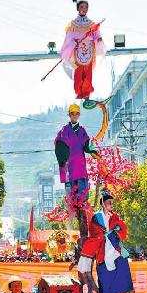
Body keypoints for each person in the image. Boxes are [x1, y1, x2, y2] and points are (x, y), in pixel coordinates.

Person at [55, 103, 98, 251]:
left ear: (79, 115)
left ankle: (84, 225)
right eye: (72, 113)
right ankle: (79, 227)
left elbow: (88, 144)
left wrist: (92, 151)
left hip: (81, 169)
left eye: (76, 113)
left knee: (83, 202)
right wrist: (62, 160)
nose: (74, 115)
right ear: (69, 115)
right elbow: (59, 148)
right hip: (71, 171)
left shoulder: (82, 131)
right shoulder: (64, 131)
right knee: (74, 203)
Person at [81, 190, 133, 293]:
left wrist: (115, 232)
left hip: (115, 249)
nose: (111, 205)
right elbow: (94, 232)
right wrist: (104, 235)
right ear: (103, 204)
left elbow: (122, 229)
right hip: (102, 250)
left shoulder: (115, 216)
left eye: (112, 203)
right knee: (105, 277)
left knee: (121, 272)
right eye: (109, 202)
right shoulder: (97, 217)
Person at [60, 0, 106, 99]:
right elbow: (69, 37)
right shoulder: (73, 24)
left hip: (89, 50)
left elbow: (96, 34)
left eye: (86, 7)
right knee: (78, 72)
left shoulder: (91, 24)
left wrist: (98, 39)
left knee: (88, 72)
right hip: (77, 50)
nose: (84, 9)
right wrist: (73, 43)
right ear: (77, 8)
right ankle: (79, 91)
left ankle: (87, 92)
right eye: (81, 7)